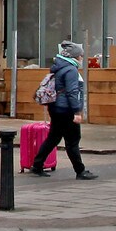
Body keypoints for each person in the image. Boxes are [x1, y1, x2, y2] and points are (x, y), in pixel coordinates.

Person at [30, 41, 97, 180]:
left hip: (55, 108)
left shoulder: (59, 67)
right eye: (81, 56)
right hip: (66, 110)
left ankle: (37, 165)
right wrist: (77, 112)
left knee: (53, 138)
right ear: (75, 57)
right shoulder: (71, 70)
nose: (82, 59)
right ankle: (80, 171)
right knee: (72, 141)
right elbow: (72, 92)